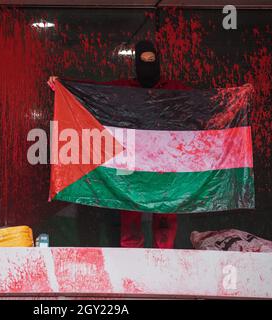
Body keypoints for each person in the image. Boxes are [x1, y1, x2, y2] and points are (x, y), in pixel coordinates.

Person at [47, 40, 191, 249]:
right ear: (136, 64)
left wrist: (238, 96)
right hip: (130, 161)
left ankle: (164, 258)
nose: (148, 66)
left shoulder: (174, 90)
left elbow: (206, 103)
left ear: (158, 62)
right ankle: (132, 258)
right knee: (130, 214)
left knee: (165, 213)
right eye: (144, 62)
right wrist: (63, 85)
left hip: (163, 163)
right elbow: (92, 93)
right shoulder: (123, 88)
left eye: (152, 61)